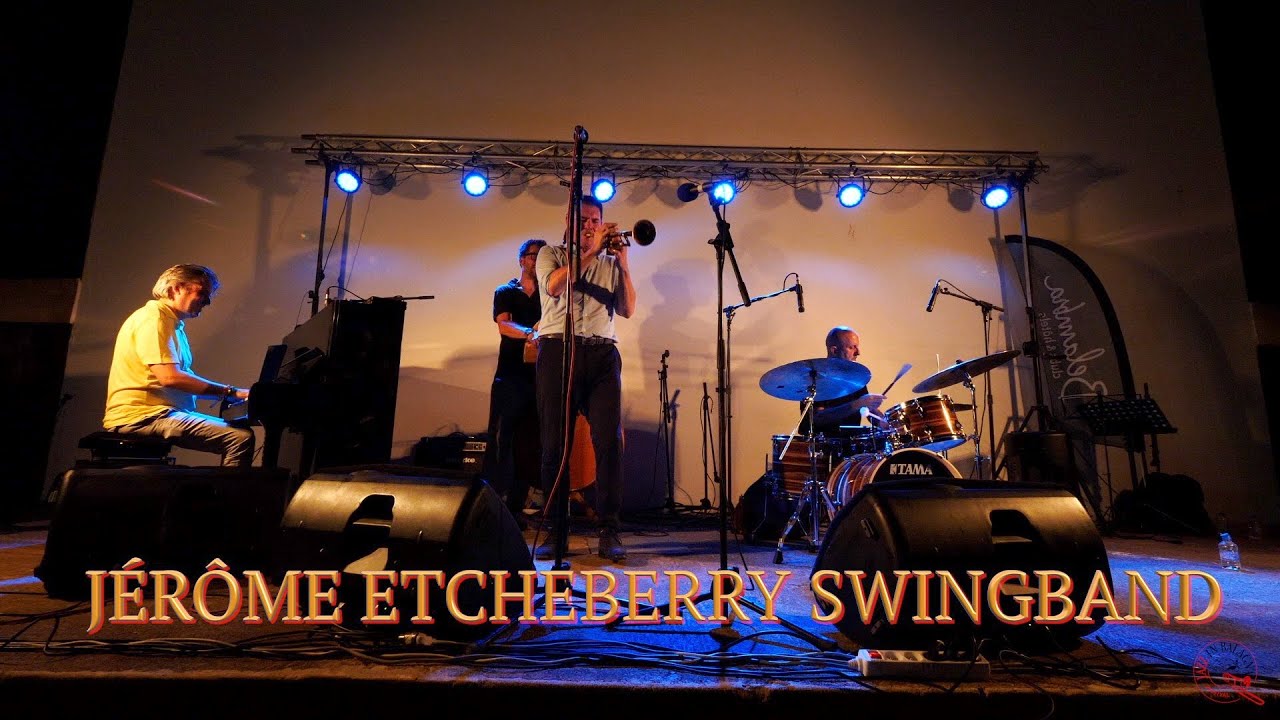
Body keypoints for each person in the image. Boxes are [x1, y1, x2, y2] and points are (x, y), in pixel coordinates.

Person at [534, 195, 637, 563]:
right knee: (553, 445)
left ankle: (609, 530)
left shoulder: (610, 262)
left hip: (601, 353)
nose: (590, 226)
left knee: (609, 444)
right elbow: (555, 287)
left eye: (596, 220)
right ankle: (555, 529)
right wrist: (592, 252)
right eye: (583, 220)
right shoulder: (551, 254)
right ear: (568, 220)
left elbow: (626, 309)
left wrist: (623, 263)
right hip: (558, 350)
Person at [102, 264, 255, 466]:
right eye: (202, 293)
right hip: (143, 416)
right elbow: (170, 378)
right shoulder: (154, 319)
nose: (207, 302)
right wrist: (232, 392)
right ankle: (227, 497)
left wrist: (228, 394)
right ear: (175, 288)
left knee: (240, 431)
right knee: (239, 438)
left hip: (155, 413)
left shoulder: (169, 323)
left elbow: (179, 379)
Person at [486, 238, 546, 530]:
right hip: (510, 377)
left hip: (539, 378)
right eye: (533, 256)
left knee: (530, 444)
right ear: (522, 260)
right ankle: (494, 507)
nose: (536, 261)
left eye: (542, 256)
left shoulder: (550, 294)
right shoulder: (506, 291)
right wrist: (530, 332)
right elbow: (503, 324)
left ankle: (518, 507)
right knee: (503, 440)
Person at [809, 326, 885, 436]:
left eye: (857, 347)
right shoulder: (816, 378)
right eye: (852, 347)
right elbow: (818, 418)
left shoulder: (855, 377)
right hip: (824, 446)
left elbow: (868, 410)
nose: (858, 352)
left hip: (853, 444)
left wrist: (883, 422)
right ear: (834, 350)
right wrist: (857, 404)